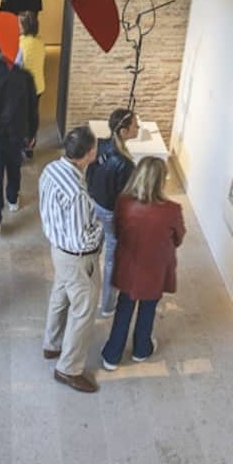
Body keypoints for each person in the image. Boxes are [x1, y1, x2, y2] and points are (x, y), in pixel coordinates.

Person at [101, 157, 185, 370]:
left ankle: (112, 355)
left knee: (124, 308)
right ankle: (141, 348)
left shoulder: (123, 203)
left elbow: (117, 232)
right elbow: (178, 238)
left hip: (129, 266)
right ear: (162, 180)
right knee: (148, 308)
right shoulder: (172, 209)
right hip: (155, 270)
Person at [39, 126, 103, 393]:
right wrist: (101, 227)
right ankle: (68, 369)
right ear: (88, 154)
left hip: (58, 249)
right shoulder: (76, 192)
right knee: (83, 311)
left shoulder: (51, 169)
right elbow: (81, 239)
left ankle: (52, 344)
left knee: (60, 295)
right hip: (76, 258)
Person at [0, 38, 38, 235]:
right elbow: (32, 108)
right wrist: (32, 133)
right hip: (17, 133)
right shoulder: (24, 76)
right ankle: (13, 198)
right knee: (14, 166)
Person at [86, 108, 138, 316]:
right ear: (124, 131)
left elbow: (89, 174)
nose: (138, 128)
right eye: (135, 126)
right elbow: (124, 198)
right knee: (112, 260)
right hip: (111, 214)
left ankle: (85, 295)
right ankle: (107, 306)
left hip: (95, 204)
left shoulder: (99, 145)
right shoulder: (125, 164)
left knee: (91, 251)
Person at [18, 10, 45, 155]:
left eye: (19, 24)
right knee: (33, 115)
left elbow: (16, 66)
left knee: (21, 117)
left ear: (25, 26)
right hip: (38, 86)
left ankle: (23, 145)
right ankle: (31, 144)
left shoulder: (20, 44)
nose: (17, 26)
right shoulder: (40, 42)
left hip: (23, 88)